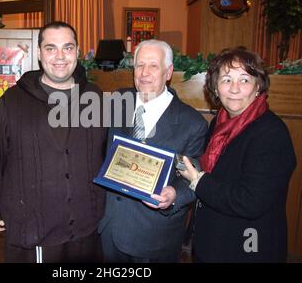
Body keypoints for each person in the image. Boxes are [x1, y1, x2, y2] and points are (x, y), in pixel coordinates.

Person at [0, 21, 107, 263]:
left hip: (85, 223)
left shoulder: (94, 96)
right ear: (39, 54)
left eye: (68, 47)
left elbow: (108, 150)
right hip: (36, 227)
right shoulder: (12, 101)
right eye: (51, 48)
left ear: (77, 51)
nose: (60, 57)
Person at [179, 47, 296, 263]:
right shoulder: (220, 121)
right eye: (226, 80)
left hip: (248, 248)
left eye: (244, 80)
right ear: (215, 87)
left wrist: (198, 181)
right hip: (214, 242)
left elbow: (250, 202)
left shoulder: (271, 133)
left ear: (258, 86)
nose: (234, 89)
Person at [98, 39, 208, 262]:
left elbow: (191, 177)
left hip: (154, 238)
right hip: (108, 230)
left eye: (153, 66)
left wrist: (175, 195)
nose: (144, 73)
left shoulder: (191, 123)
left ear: (168, 72)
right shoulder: (116, 102)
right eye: (139, 65)